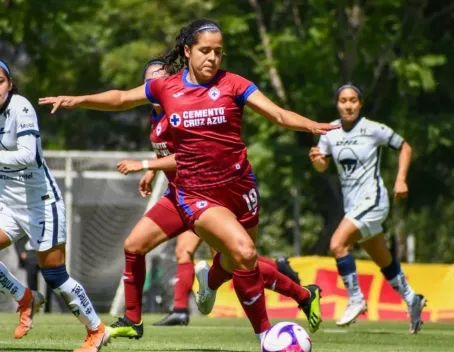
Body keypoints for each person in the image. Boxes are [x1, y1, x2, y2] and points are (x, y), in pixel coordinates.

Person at [39, 19, 339, 341]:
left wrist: (310, 125)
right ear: (188, 50)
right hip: (196, 193)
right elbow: (121, 98)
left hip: (240, 187)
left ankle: (217, 283)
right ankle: (265, 336)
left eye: (218, 52)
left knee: (234, 260)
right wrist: (77, 100)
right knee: (236, 253)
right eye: (205, 51)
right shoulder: (166, 88)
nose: (212, 58)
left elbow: (278, 115)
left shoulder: (234, 84)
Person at [108, 58, 307, 338]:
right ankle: (134, 320)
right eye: (149, 80)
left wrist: (145, 166)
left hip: (205, 196)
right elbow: (166, 152)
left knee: (235, 258)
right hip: (178, 196)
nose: (154, 84)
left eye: (160, 78)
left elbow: (189, 157)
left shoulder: (185, 107)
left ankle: (290, 291)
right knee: (135, 245)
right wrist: (152, 171)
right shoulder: (156, 114)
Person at [0, 59, 109, 352]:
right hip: (6, 204)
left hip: (40, 203)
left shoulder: (20, 107)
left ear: (10, 85)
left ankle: (97, 330)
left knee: (55, 276)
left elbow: (29, 156)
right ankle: (24, 297)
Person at [309, 84, 426, 334]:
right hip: (353, 206)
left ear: (360, 103)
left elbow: (405, 146)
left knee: (337, 244)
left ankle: (355, 298)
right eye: (343, 100)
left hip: (373, 200)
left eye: (353, 100)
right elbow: (321, 166)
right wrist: (317, 160)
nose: (348, 105)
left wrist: (400, 179)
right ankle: (412, 298)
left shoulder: (373, 129)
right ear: (337, 104)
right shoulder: (330, 132)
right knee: (383, 260)